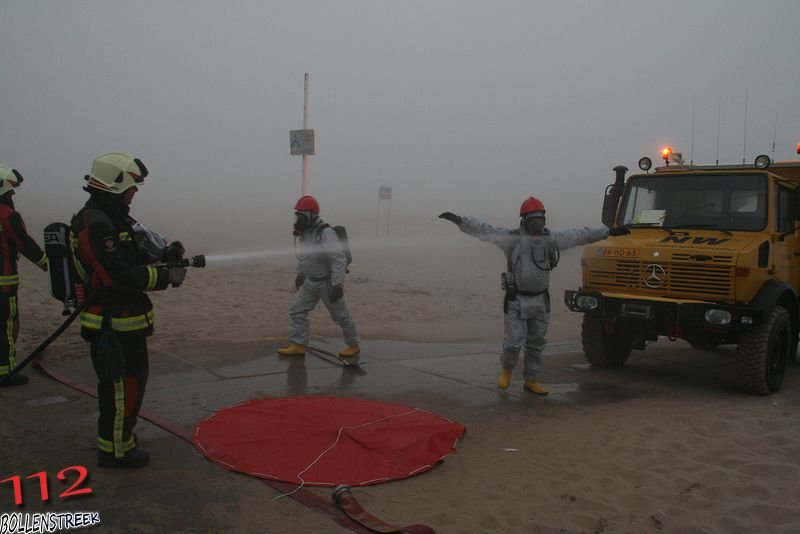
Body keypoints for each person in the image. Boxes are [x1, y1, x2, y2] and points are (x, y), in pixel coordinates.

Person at [71, 152, 187, 468]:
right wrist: (166, 276)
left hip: (125, 320)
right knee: (122, 388)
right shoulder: (96, 224)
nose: (134, 193)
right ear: (115, 185)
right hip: (112, 323)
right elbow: (117, 275)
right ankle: (117, 451)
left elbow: (131, 254)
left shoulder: (111, 217)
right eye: (131, 188)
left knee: (127, 386)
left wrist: (165, 253)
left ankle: (119, 442)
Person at [439, 196, 608, 395]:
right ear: (524, 221)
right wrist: (461, 220)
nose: (537, 225)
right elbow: (485, 230)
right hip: (516, 299)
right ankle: (507, 370)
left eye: (540, 221)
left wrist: (608, 231)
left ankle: (531, 379)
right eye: (533, 221)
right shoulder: (511, 239)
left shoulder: (550, 240)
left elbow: (580, 235)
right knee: (513, 341)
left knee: (536, 343)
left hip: (541, 300)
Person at [277, 195, 360, 358]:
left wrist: (337, 284)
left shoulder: (326, 233)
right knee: (297, 311)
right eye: (297, 215)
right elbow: (305, 256)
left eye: (302, 215)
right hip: (310, 281)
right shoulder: (305, 234)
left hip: (327, 283)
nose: (298, 219)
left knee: (340, 316)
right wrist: (300, 273)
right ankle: (298, 344)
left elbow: (338, 259)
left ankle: (353, 344)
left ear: (312, 214)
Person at [0, 165, 47, 387]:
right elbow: (25, 244)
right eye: (11, 191)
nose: (14, 194)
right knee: (6, 326)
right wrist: (47, 264)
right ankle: (5, 372)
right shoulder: (8, 215)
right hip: (4, 284)